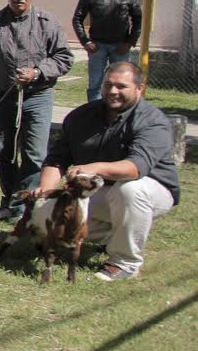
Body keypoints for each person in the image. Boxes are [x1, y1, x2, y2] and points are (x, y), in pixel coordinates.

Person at [38, 61, 179, 281]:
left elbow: (135, 168)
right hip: (100, 191)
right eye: (108, 85)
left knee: (129, 191)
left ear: (140, 89)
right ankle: (113, 236)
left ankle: (125, 263)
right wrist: (46, 191)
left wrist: (94, 168)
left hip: (151, 189)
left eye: (121, 86)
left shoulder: (152, 121)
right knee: (47, 212)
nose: (112, 91)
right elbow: (57, 159)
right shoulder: (81, 116)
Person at [0, 0, 73, 221]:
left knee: (33, 154)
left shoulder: (47, 22)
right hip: (4, 96)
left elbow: (64, 58)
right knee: (2, 153)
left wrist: (38, 72)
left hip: (38, 96)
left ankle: (25, 207)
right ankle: (11, 200)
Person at [72, 0, 142, 103]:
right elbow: (77, 18)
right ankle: (95, 113)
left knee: (123, 82)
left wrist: (130, 42)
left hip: (120, 45)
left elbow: (137, 19)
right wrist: (85, 41)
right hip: (98, 46)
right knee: (95, 84)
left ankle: (119, 112)